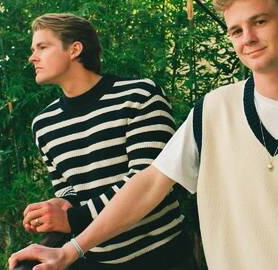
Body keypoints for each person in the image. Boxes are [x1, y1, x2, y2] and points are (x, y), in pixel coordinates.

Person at [10, 0, 278, 270]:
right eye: (236, 30)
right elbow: (148, 186)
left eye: (260, 22)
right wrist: (71, 251)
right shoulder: (213, 112)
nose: (248, 38)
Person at [22, 13, 191, 269]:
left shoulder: (140, 96)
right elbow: (68, 188)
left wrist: (73, 218)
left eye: (42, 47)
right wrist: (61, 205)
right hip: (96, 259)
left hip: (161, 256)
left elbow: (149, 182)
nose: (32, 57)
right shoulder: (44, 124)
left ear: (74, 49)